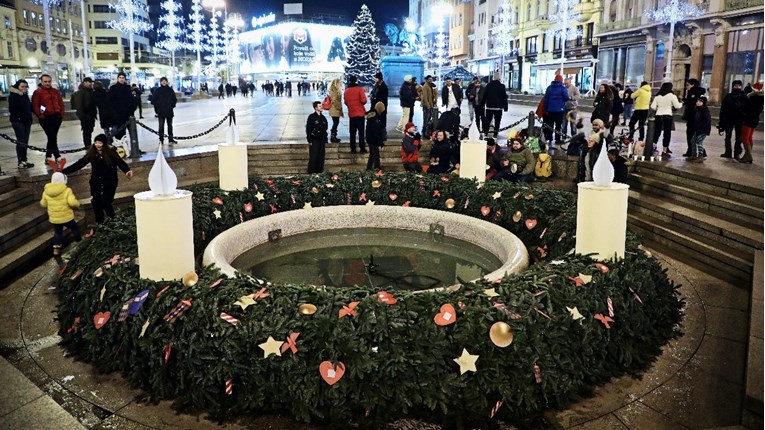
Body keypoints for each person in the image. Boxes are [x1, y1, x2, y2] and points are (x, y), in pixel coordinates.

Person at [62, 134, 134, 223]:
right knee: (96, 203)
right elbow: (80, 164)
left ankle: (114, 221)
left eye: (99, 143)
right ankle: (100, 223)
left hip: (110, 182)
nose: (97, 145)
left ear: (104, 143)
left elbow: (120, 162)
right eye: (96, 142)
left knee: (106, 203)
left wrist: (127, 171)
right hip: (96, 182)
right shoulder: (92, 153)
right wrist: (64, 171)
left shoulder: (111, 152)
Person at [40, 172, 82, 256]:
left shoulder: (46, 191)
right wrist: (78, 205)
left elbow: (43, 204)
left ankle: (56, 249)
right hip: (67, 217)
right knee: (75, 228)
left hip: (55, 218)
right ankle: (80, 241)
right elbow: (72, 203)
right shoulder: (66, 190)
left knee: (58, 232)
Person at [31, 74, 65, 164]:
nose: (47, 83)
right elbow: (35, 105)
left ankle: (48, 157)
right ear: (41, 82)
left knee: (52, 138)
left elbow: (60, 103)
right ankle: (57, 156)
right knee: (52, 137)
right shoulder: (38, 92)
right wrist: (40, 115)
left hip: (56, 117)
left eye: (49, 81)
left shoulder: (55, 91)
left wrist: (61, 114)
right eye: (45, 81)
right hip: (46, 118)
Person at [650, 82, 683, 157]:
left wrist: (659, 108)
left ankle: (653, 148)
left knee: (657, 132)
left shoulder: (657, 96)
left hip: (658, 115)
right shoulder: (672, 96)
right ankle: (665, 150)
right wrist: (681, 103)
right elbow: (677, 106)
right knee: (667, 133)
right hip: (667, 115)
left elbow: (653, 107)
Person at [8, 80, 34, 168]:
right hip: (18, 121)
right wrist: (19, 117)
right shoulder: (14, 96)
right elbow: (13, 109)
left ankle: (24, 160)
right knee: (21, 140)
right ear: (18, 87)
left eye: (25, 87)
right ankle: (21, 161)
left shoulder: (25, 96)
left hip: (27, 121)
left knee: (25, 141)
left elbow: (29, 107)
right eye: (22, 86)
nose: (24, 88)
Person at [718, 80, 746, 159]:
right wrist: (721, 121)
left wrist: (743, 115)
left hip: (739, 120)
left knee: (739, 137)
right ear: (733, 86)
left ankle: (736, 153)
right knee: (728, 137)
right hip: (728, 120)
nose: (737, 87)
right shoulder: (728, 96)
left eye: (739, 86)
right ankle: (728, 152)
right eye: (735, 86)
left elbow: (746, 108)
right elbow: (723, 109)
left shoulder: (743, 97)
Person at [738, 82, 764, 164]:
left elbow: (747, 108)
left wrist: (743, 113)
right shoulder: (761, 98)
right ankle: (747, 156)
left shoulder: (753, 97)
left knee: (744, 138)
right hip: (754, 120)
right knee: (749, 138)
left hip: (748, 120)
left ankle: (748, 155)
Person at [542, 75, 570, 148]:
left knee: (550, 125)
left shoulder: (549, 88)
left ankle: (549, 138)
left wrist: (546, 109)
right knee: (558, 126)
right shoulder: (562, 88)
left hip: (550, 110)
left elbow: (546, 99)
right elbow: (566, 98)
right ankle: (557, 139)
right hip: (559, 110)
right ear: (561, 80)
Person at [343, 75, 368, 154]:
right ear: (356, 81)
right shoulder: (359, 89)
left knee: (352, 132)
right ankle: (362, 148)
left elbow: (346, 102)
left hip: (352, 113)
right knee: (361, 132)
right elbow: (364, 100)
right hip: (360, 113)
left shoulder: (346, 90)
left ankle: (353, 148)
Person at [682, 78, 706, 157]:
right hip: (695, 117)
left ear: (692, 85)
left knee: (691, 135)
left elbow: (692, 104)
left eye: (688, 85)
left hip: (693, 117)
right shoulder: (697, 93)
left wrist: (685, 101)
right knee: (693, 135)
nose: (687, 87)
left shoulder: (693, 93)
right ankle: (694, 151)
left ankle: (692, 151)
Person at [480, 73, 508, 138]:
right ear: (499, 78)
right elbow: (504, 97)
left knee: (487, 120)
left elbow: (485, 95)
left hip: (489, 106)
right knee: (497, 121)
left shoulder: (489, 85)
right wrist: (505, 107)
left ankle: (486, 132)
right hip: (498, 107)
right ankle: (495, 133)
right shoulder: (502, 86)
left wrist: (482, 104)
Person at [108, 72, 136, 139]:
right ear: (117, 79)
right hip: (118, 115)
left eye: (123, 78)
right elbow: (110, 101)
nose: (121, 79)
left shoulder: (128, 88)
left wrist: (132, 110)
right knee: (120, 134)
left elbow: (131, 100)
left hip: (128, 114)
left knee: (132, 133)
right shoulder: (113, 88)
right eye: (120, 78)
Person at [71, 77, 96, 149]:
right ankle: (87, 146)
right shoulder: (81, 92)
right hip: (85, 115)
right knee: (86, 132)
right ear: (84, 83)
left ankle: (89, 145)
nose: (91, 83)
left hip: (91, 115)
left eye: (91, 82)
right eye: (89, 82)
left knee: (90, 131)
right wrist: (83, 116)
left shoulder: (91, 91)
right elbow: (79, 105)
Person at [152, 77, 178, 145]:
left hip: (169, 110)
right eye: (162, 81)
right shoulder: (157, 90)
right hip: (161, 111)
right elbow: (154, 100)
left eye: (165, 81)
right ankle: (161, 139)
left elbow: (174, 99)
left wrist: (171, 105)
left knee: (170, 126)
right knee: (161, 126)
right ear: (161, 82)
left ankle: (170, 139)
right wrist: (157, 109)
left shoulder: (170, 90)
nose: (164, 82)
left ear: (167, 82)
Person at [305, 101, 328, 173]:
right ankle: (311, 172)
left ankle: (320, 171)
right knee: (313, 157)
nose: (322, 107)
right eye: (320, 106)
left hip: (322, 140)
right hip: (314, 139)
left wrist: (325, 138)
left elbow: (325, 128)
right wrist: (310, 140)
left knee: (321, 157)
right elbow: (308, 129)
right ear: (316, 108)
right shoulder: (311, 117)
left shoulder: (323, 117)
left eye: (321, 106)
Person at [689, 95, 711, 163]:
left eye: (700, 101)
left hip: (703, 130)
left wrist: (702, 127)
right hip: (697, 129)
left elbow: (706, 121)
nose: (698, 102)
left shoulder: (705, 110)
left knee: (699, 142)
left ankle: (700, 156)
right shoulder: (697, 109)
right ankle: (694, 154)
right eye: (697, 101)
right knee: (693, 140)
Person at [365, 102, 386, 171]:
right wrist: (380, 142)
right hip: (373, 140)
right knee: (376, 155)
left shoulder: (372, 115)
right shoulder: (375, 118)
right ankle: (377, 169)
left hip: (370, 138)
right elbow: (376, 132)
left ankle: (369, 168)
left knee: (372, 154)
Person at [328, 78, 344, 143]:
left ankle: (333, 136)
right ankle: (333, 136)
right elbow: (334, 100)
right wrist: (339, 107)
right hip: (335, 109)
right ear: (336, 83)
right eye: (339, 83)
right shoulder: (334, 90)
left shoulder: (334, 89)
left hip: (334, 109)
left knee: (336, 122)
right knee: (336, 123)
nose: (340, 84)